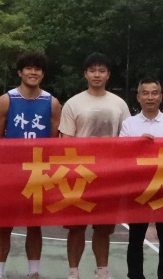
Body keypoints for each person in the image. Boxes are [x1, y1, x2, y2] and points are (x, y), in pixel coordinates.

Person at [0, 52, 62, 279]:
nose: (33, 72)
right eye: (29, 68)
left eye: (37, 69)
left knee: (35, 224)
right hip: (10, 171)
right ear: (20, 72)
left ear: (43, 74)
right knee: (5, 225)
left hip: (38, 171)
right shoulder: (6, 100)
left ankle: (34, 272)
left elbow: (53, 142)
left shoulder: (52, 103)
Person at [59, 52, 130, 279]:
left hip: (109, 175)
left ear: (108, 75)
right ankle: (73, 272)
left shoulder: (119, 104)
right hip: (79, 174)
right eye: (92, 70)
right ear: (85, 74)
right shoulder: (73, 103)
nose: (97, 75)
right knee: (76, 227)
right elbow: (66, 140)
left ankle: (102, 271)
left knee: (103, 228)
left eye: (101, 70)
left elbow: (128, 137)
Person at [120, 78, 163, 279]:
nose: (150, 97)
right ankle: (135, 275)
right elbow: (121, 155)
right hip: (138, 188)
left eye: (154, 93)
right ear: (138, 97)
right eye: (145, 93)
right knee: (135, 237)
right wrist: (138, 144)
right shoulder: (129, 124)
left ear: (161, 97)